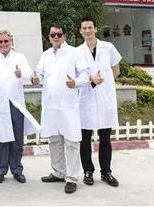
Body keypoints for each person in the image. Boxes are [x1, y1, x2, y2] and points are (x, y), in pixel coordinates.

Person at [35, 23, 98, 194]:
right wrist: (36, 79)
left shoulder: (74, 53)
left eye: (59, 34)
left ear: (64, 36)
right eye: (53, 35)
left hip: (68, 105)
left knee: (71, 142)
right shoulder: (46, 55)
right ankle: (59, 172)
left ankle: (71, 178)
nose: (56, 37)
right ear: (49, 37)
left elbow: (86, 74)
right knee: (54, 140)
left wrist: (75, 82)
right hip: (51, 105)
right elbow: (39, 74)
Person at [0, 29, 37, 184]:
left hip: (15, 104)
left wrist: (21, 74)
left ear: (11, 42)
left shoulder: (20, 57)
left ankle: (17, 170)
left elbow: (30, 76)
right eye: (0, 41)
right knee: (0, 140)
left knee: (17, 139)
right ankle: (0, 171)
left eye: (6, 41)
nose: (3, 44)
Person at [77, 16, 122, 187]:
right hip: (86, 98)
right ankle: (88, 171)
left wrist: (106, 85)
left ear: (96, 29)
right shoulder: (77, 51)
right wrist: (91, 79)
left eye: (90, 27)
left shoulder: (108, 47)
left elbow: (116, 70)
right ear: (80, 31)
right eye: (84, 28)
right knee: (85, 138)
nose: (87, 31)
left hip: (104, 98)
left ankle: (106, 171)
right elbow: (77, 75)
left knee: (105, 138)